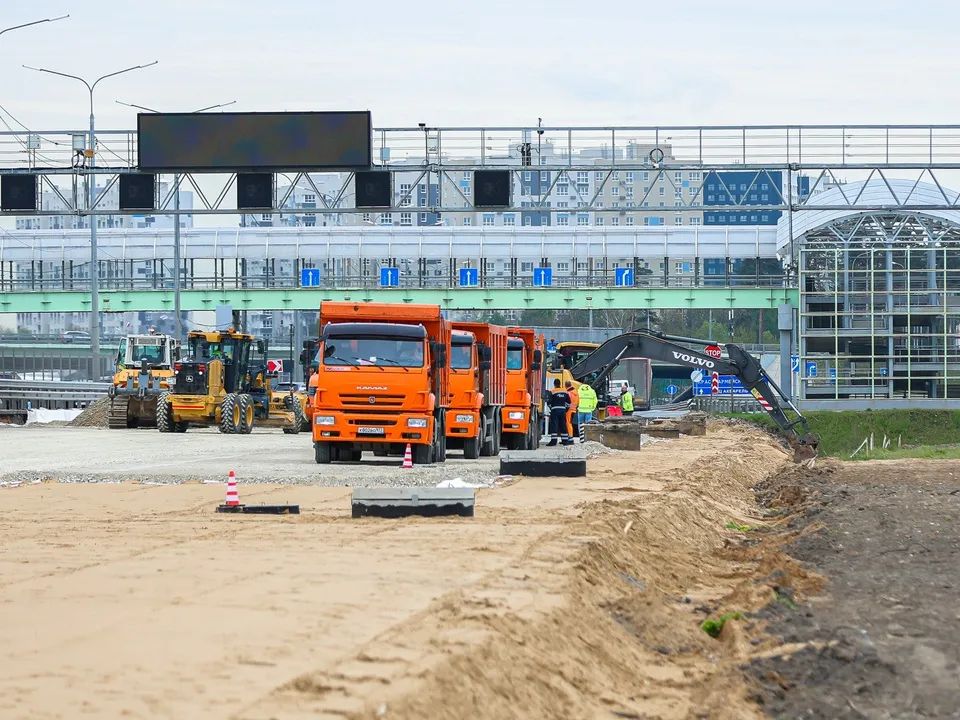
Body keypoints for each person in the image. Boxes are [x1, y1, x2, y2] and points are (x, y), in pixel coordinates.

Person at [546, 379, 573, 446]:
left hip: (555, 411)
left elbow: (549, 402)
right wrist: (565, 408)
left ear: (554, 384)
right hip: (562, 411)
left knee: (554, 425)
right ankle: (565, 441)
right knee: (563, 425)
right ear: (560, 383)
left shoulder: (552, 391)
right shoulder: (564, 391)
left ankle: (553, 441)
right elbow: (569, 402)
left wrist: (551, 408)